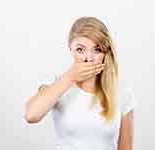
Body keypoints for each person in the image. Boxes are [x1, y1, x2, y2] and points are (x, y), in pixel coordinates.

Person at [24, 16, 138, 150]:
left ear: (106, 53)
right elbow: (31, 115)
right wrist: (70, 77)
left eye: (97, 50)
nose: (88, 58)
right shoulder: (57, 84)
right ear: (70, 48)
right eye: (80, 50)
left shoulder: (122, 92)